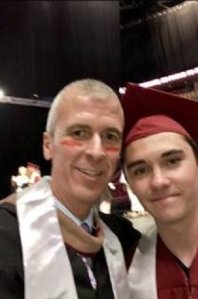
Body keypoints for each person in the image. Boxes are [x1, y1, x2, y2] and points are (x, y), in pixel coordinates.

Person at [0, 79, 140, 299]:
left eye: (110, 136)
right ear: (48, 145)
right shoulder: (6, 237)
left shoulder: (123, 238)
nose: (97, 152)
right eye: (79, 133)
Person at [121, 83, 198, 298]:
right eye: (141, 170)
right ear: (129, 184)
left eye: (172, 161)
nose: (158, 181)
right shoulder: (127, 270)